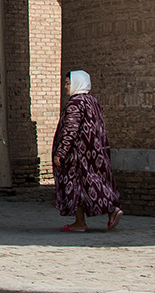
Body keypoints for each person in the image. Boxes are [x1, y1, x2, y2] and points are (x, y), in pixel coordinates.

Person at [52, 70, 123, 232]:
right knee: (93, 183)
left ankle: (82, 222)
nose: (66, 87)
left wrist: (61, 152)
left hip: (77, 155)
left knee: (75, 186)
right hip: (95, 153)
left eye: (68, 83)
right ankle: (111, 210)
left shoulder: (75, 103)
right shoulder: (93, 101)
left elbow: (70, 129)